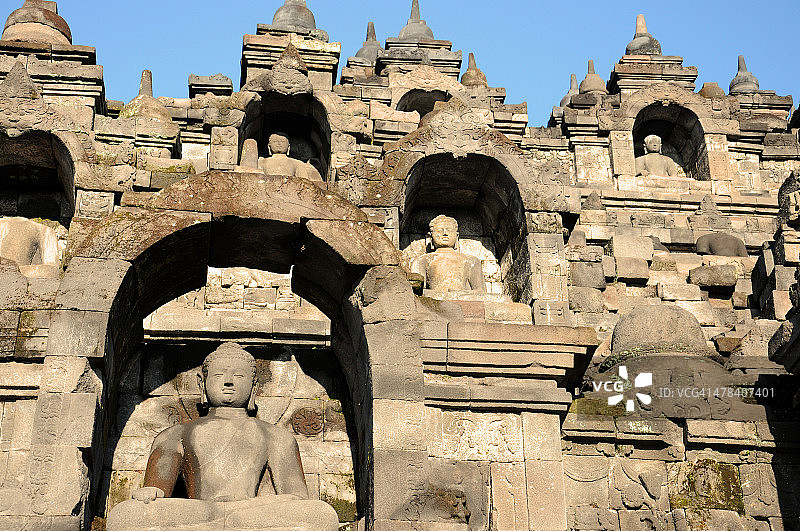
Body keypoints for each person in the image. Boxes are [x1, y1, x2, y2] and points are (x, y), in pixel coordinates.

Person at [106, 343, 339, 531]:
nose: (229, 382)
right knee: (125, 516)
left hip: (252, 511)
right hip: (201, 510)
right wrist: (151, 492)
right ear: (202, 383)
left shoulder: (276, 436)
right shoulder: (175, 434)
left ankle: (229, 522)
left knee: (321, 515)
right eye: (219, 375)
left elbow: (297, 498)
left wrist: (249, 507)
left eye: (238, 376)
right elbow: (157, 492)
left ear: (254, 385)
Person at [411, 215, 485, 292]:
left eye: (449, 230)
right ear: (430, 237)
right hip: (432, 301)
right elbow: (416, 290)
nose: (445, 233)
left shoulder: (471, 261)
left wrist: (458, 294)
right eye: (439, 230)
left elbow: (480, 291)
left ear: (457, 236)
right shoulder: (422, 260)